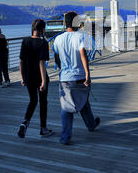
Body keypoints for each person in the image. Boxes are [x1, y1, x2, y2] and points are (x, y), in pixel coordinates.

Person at [53, 12, 100, 145]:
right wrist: (88, 74)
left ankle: (66, 136)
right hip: (79, 76)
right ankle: (90, 125)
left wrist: (62, 67)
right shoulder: (80, 36)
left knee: (67, 107)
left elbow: (56, 57)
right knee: (83, 100)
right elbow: (83, 54)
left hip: (65, 78)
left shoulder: (58, 39)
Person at [17, 19, 53, 138]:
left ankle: (24, 123)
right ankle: (43, 128)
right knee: (43, 102)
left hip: (28, 76)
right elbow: (41, 62)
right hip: (39, 76)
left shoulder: (25, 41)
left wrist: (22, 77)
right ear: (42, 29)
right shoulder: (43, 43)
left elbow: (21, 61)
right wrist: (43, 81)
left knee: (33, 101)